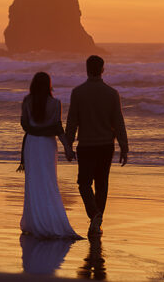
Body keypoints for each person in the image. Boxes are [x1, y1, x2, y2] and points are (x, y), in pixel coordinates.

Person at [65, 54, 129, 237]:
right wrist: (124, 147)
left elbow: (72, 122)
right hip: (105, 146)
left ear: (86, 69)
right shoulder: (111, 93)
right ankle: (97, 220)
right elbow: (118, 123)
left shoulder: (78, 92)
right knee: (102, 184)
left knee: (84, 183)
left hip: (86, 145)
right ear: (103, 69)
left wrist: (68, 145)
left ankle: (94, 216)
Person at [19, 71, 81, 239]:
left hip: (32, 143)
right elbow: (57, 128)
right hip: (47, 145)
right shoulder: (55, 103)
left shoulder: (27, 101)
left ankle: (33, 223)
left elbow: (24, 124)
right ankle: (48, 220)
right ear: (48, 85)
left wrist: (36, 130)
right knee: (48, 181)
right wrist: (67, 148)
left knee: (33, 182)